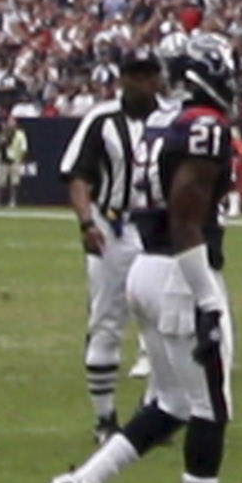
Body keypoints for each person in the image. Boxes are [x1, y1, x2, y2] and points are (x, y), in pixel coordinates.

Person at [47, 30, 242, 483]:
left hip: (148, 266)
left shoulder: (163, 120)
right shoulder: (203, 126)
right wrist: (207, 298)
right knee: (212, 405)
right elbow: (187, 218)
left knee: (171, 402)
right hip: (181, 273)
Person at [61, 52, 159, 442]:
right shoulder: (101, 120)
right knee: (106, 320)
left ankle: (155, 412)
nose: (143, 84)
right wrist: (86, 222)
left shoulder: (171, 119)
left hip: (158, 227)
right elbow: (79, 176)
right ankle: (104, 420)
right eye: (135, 76)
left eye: (149, 76)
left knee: (164, 322)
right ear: (122, 80)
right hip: (112, 225)